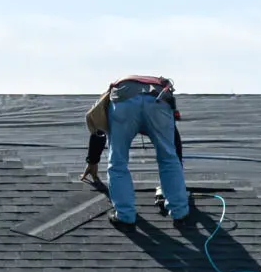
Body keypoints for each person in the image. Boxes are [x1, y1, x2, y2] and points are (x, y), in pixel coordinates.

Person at [79, 76, 190, 225]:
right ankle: (180, 213)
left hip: (124, 101)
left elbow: (99, 124)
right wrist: (176, 180)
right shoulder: (158, 95)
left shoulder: (113, 93)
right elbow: (174, 146)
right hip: (158, 101)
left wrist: (92, 160)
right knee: (169, 159)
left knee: (117, 162)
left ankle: (125, 216)